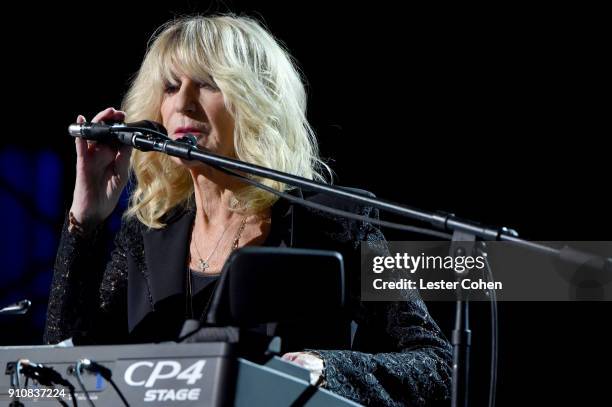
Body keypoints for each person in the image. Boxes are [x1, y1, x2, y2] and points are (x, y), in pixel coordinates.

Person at [44, 14, 452, 406]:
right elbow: (53, 375)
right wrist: (86, 219)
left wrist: (325, 368)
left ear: (255, 98)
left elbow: (437, 365)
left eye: (207, 84)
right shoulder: (147, 232)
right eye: (170, 87)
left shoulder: (335, 222)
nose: (183, 103)